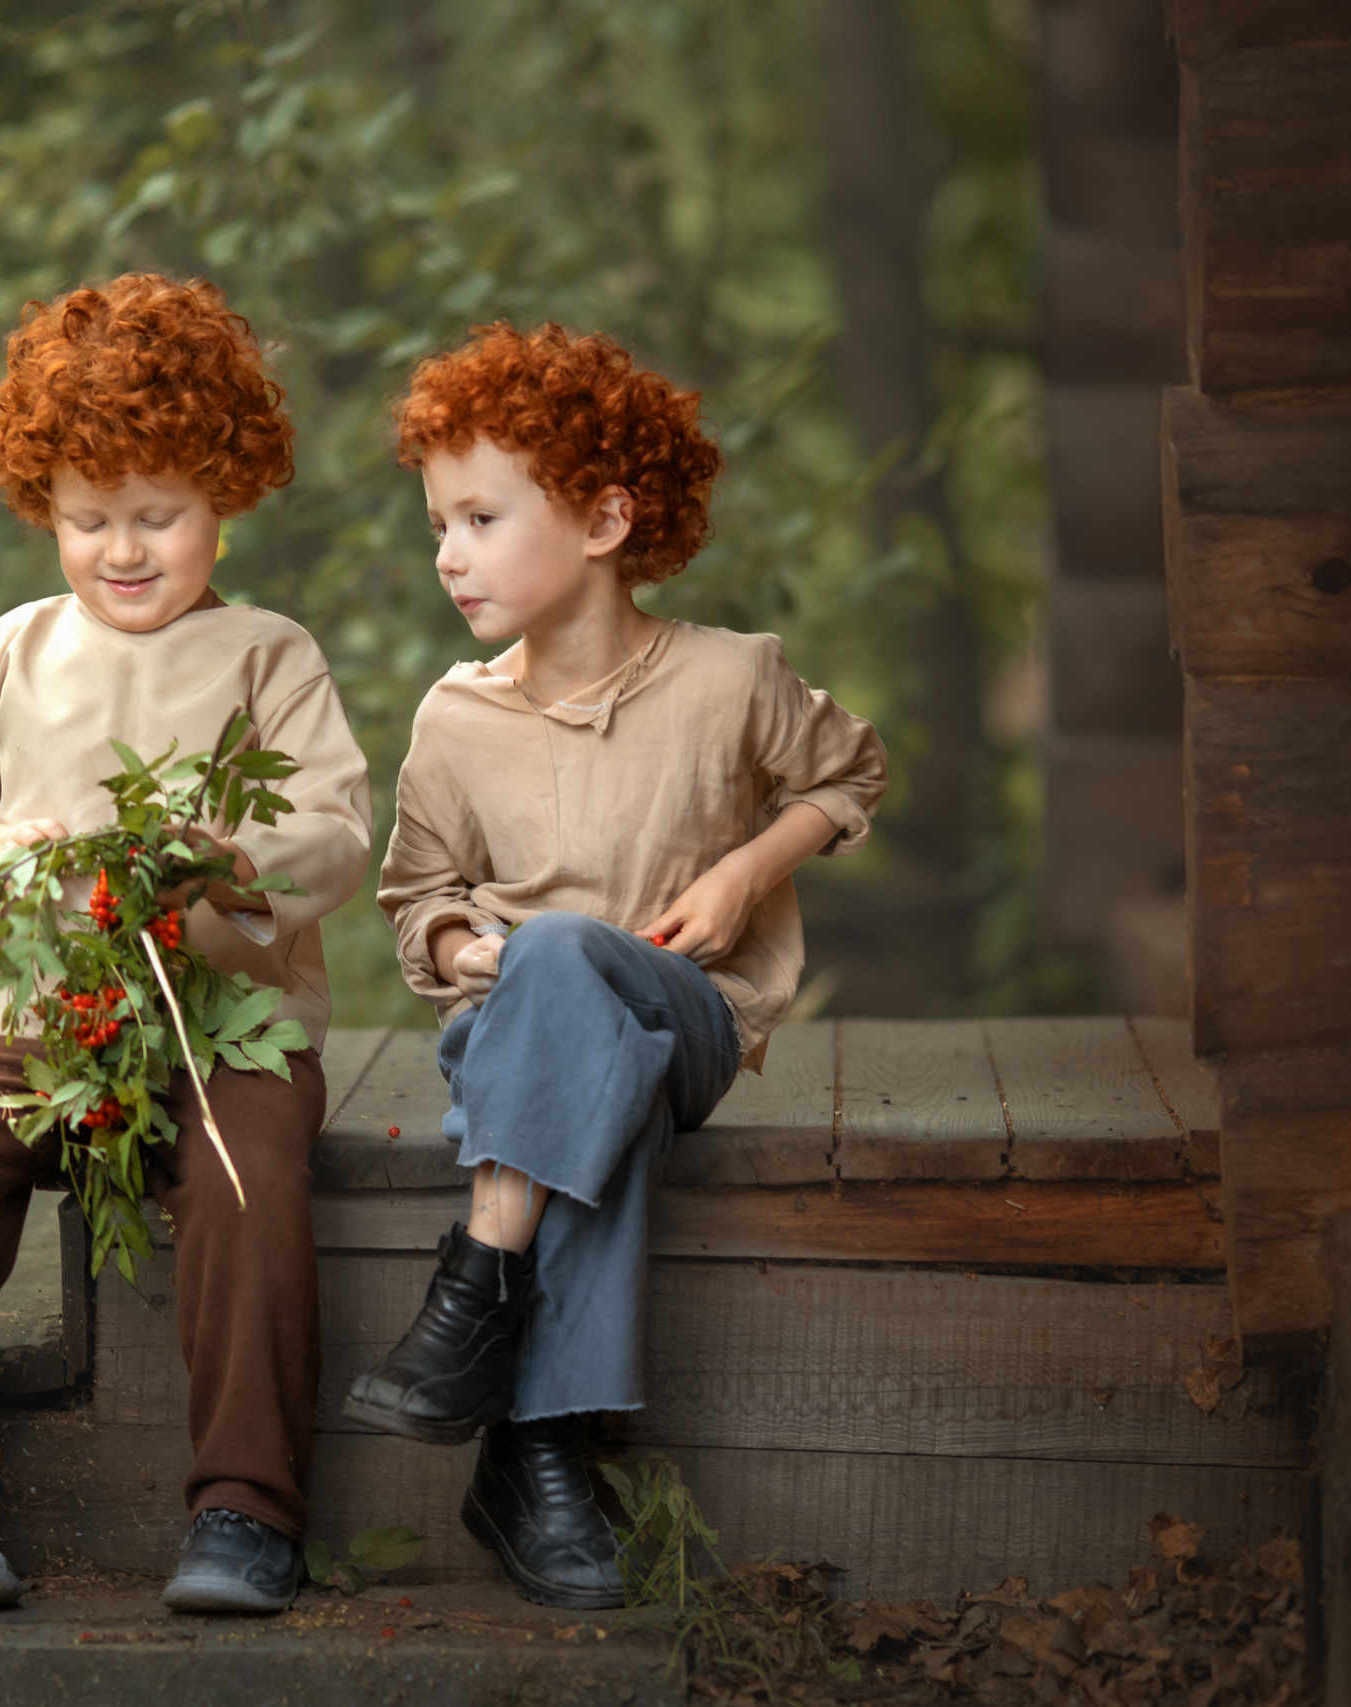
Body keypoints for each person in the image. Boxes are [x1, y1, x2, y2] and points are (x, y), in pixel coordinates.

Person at [0, 274, 371, 1616]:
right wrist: (1, 853)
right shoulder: (12, 652)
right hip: (39, 1021)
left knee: (248, 1175)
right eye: (88, 518)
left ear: (226, 495)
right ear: (45, 504)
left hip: (222, 1028)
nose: (123, 550)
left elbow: (340, 830)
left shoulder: (267, 653)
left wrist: (229, 858)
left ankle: (248, 1507)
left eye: (159, 515)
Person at [355, 322, 887, 1609]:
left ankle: (473, 1284)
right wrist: (474, 947)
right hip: (519, 1028)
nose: (447, 554)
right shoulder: (455, 717)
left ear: (601, 519)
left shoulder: (728, 678)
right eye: (439, 523)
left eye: (480, 518)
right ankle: (536, 1458)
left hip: (687, 1011)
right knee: (567, 1001)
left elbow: (849, 772)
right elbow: (413, 899)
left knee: (582, 967)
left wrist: (745, 873)